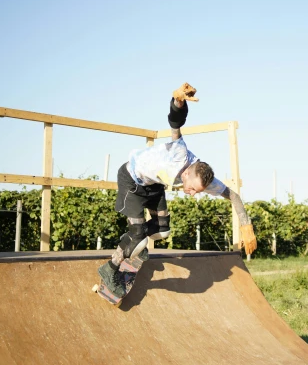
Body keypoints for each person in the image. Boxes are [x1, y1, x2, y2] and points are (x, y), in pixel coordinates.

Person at [98, 83, 257, 296]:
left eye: (197, 191)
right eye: (191, 188)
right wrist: (178, 102)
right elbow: (175, 124)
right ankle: (110, 268)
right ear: (185, 174)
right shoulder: (179, 154)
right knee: (139, 237)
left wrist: (246, 226)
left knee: (163, 231)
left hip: (153, 186)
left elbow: (234, 196)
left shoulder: (205, 178)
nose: (192, 193)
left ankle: (137, 242)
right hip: (132, 181)